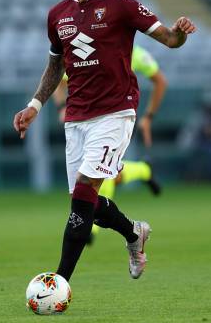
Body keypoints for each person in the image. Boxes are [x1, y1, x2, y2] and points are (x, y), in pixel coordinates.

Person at [12, 0, 196, 282]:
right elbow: (55, 66)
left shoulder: (122, 7)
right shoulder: (58, 15)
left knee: (83, 196)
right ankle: (134, 234)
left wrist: (181, 32)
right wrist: (35, 105)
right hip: (76, 118)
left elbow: (169, 39)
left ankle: (59, 282)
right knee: (88, 206)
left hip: (116, 112)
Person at [53, 44, 166, 245]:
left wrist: (149, 117)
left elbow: (160, 81)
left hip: (117, 120)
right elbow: (60, 78)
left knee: (96, 174)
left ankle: (92, 229)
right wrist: (62, 107)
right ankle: (143, 170)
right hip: (85, 121)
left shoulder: (135, 53)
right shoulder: (89, 50)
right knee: (111, 175)